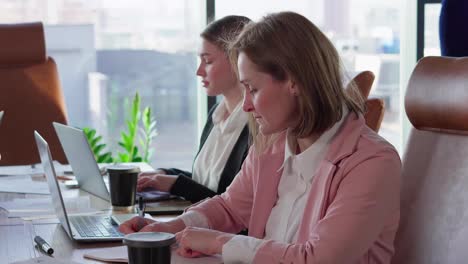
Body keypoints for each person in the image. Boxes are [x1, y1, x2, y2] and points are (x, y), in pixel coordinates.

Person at [120, 11, 401, 264]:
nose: (245, 106)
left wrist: (219, 242)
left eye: (252, 89)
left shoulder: (372, 161)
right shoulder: (273, 144)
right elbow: (230, 207)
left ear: (294, 82)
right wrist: (173, 228)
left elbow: (318, 259)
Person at [137, 15, 251, 203]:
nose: (199, 71)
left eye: (208, 61)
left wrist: (175, 184)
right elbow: (205, 183)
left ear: (236, 61)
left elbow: (231, 207)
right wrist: (165, 175)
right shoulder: (216, 115)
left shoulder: (257, 127)